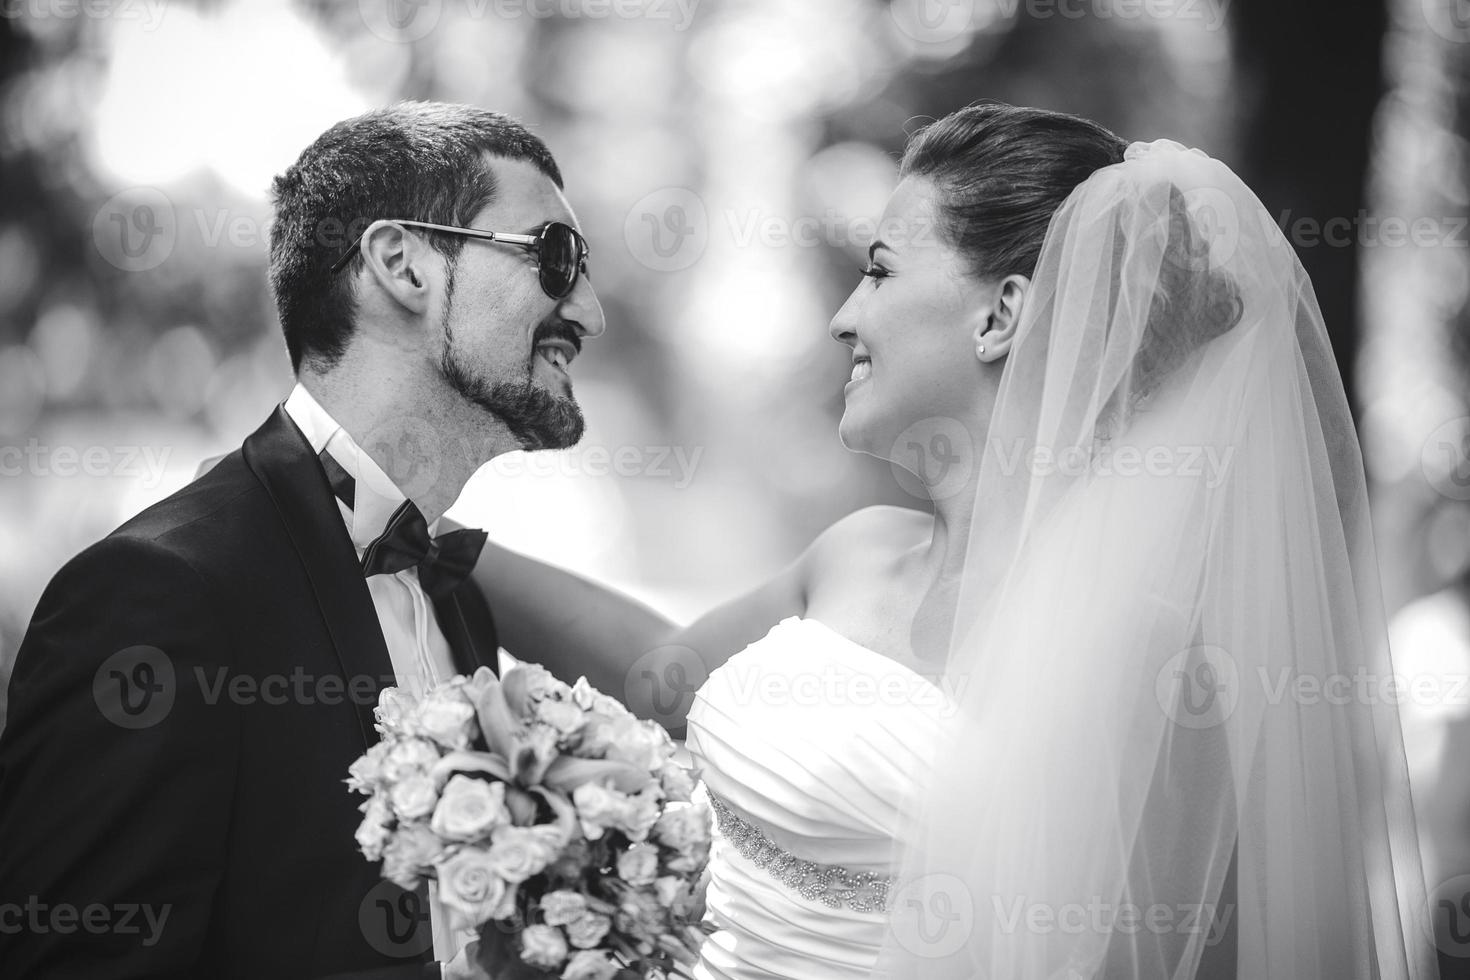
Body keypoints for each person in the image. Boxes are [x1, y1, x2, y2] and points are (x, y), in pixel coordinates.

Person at [476, 103, 1439, 978]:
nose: (843, 315)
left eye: (881, 270)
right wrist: (438, 542)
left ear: (1000, 314)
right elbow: (656, 675)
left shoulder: (1149, 659)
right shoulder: (859, 549)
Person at [0, 101, 617, 978]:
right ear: (402, 264)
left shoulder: (457, 594)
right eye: (554, 257)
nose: (588, 312)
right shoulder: (158, 594)